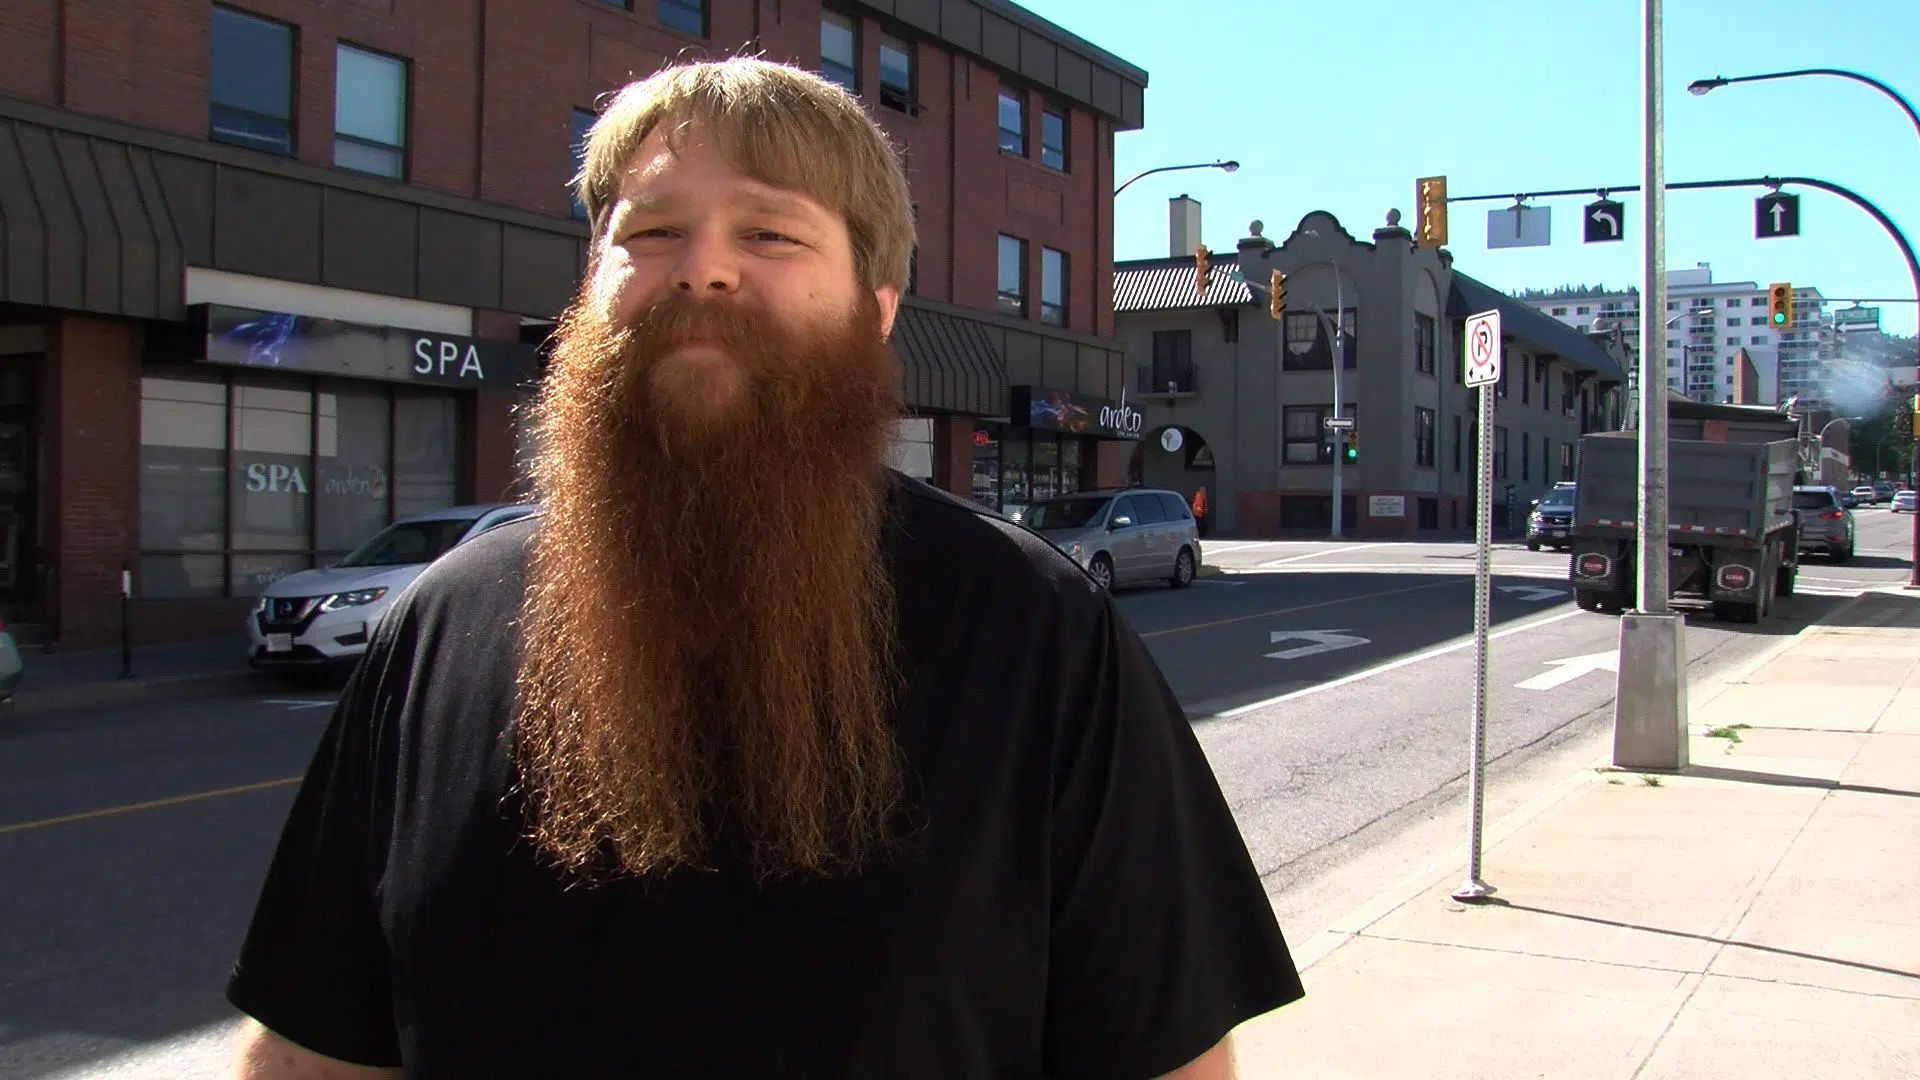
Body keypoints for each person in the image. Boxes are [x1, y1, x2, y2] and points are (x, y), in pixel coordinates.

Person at [226, 57, 1302, 1080]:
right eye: (649, 231)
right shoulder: (436, 629)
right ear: (588, 290)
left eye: (772, 231)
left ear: (875, 311)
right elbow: (315, 1046)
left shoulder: (1042, 635)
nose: (703, 264)